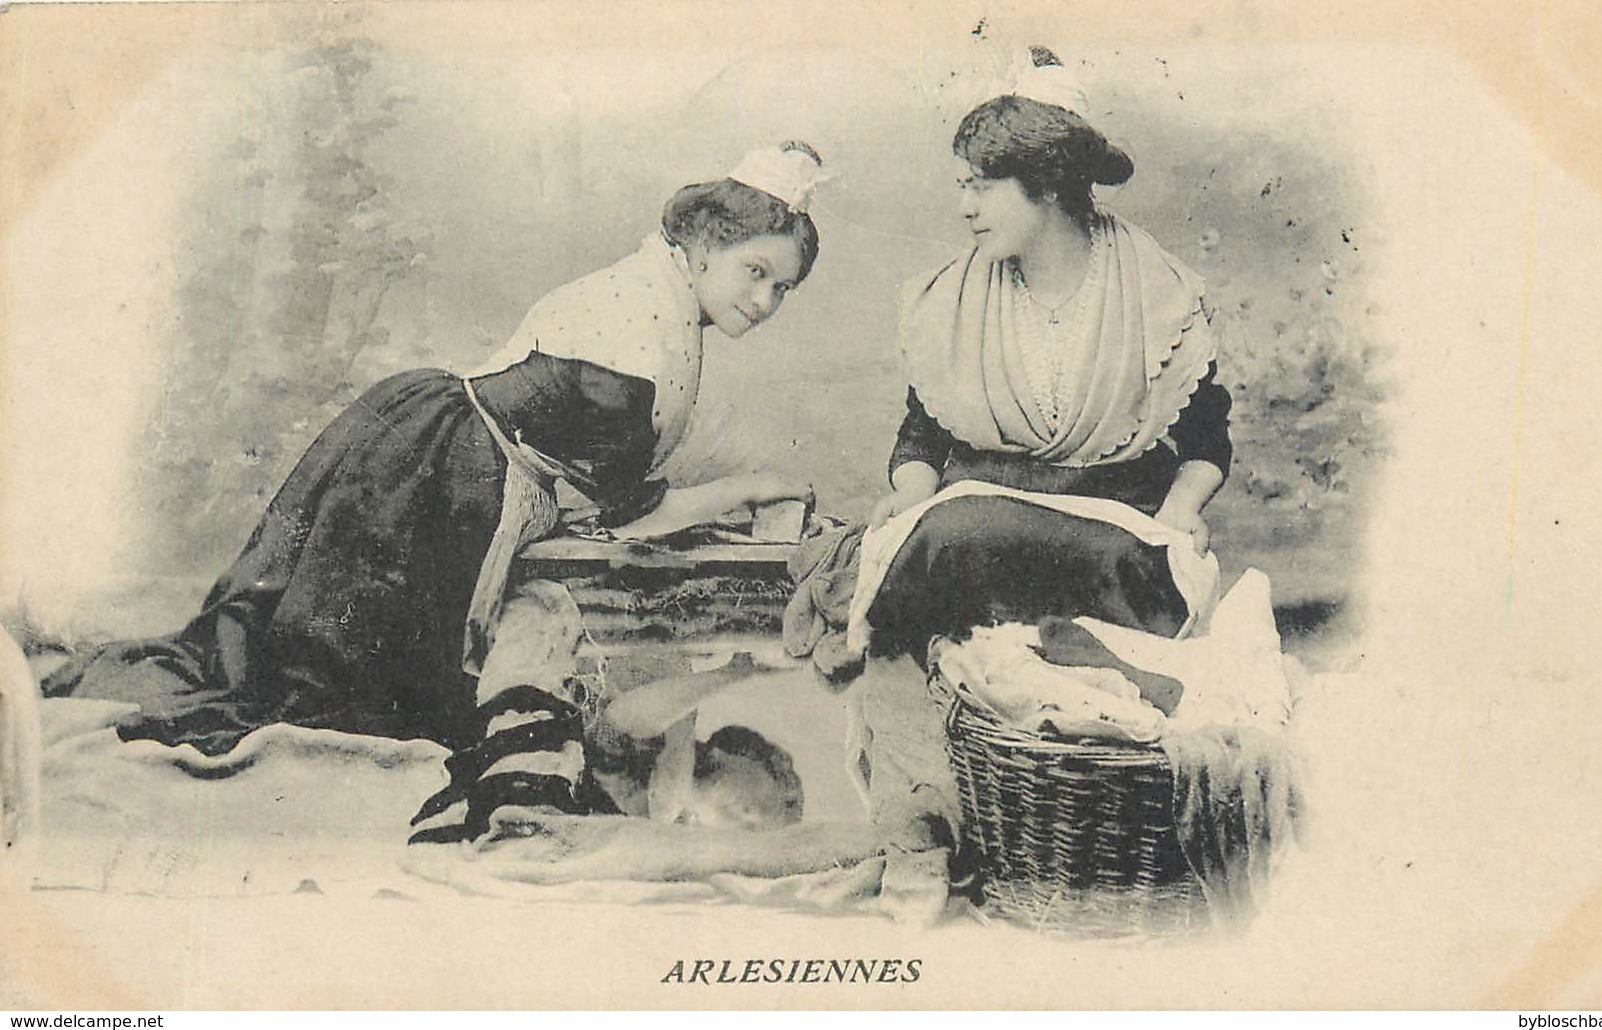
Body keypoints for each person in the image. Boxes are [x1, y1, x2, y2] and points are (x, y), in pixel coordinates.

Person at [43, 142, 829, 843]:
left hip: (438, 444)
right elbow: (636, 510)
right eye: (753, 273)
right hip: (438, 470)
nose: (763, 302)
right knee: (328, 687)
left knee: (344, 668)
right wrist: (755, 488)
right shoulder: (636, 341)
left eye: (781, 288)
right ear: (698, 247)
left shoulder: (655, 290)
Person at [849, 48, 1234, 861]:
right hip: (971, 535)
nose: (964, 208)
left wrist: (1178, 514)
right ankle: (930, 826)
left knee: (1100, 602)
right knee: (941, 549)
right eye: (962, 185)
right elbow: (922, 433)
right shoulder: (951, 296)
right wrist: (910, 490)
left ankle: (1066, 832)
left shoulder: (1155, 289)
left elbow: (1203, 438)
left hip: (1109, 534)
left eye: (979, 185)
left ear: (1049, 184)